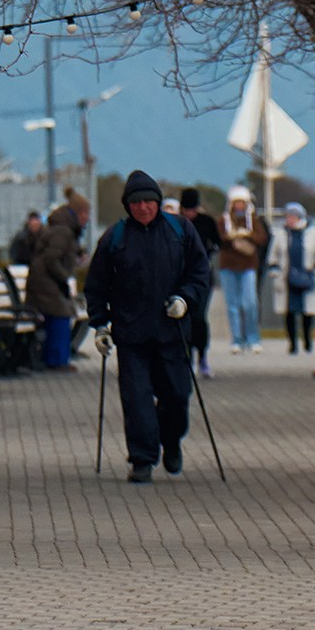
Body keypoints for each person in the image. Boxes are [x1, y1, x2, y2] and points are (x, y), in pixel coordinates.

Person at [85, 169, 211, 481]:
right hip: (131, 335)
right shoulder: (115, 238)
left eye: (149, 201)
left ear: (158, 203)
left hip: (173, 333)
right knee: (137, 398)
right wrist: (100, 325)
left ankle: (171, 441)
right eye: (136, 202)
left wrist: (185, 299)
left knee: (177, 397)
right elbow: (97, 284)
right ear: (127, 205)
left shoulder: (180, 230)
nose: (143, 207)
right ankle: (142, 459)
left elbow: (200, 273)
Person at [22, 197, 87, 368]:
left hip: (44, 282)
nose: (87, 218)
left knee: (62, 312)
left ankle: (55, 357)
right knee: (61, 314)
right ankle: (57, 360)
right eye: (85, 213)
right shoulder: (63, 231)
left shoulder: (62, 229)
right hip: (45, 283)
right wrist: (64, 275)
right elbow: (52, 258)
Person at [266, 199, 315, 352]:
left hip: (307, 277)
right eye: (288, 216)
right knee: (289, 311)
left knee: (308, 311)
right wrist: (275, 270)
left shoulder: (312, 233)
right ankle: (292, 343)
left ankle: (307, 339)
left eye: (293, 216)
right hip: (286, 278)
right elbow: (273, 255)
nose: (290, 219)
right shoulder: (280, 234)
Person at [217, 185, 269, 352]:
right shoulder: (223, 220)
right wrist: (231, 237)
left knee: (250, 303)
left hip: (248, 266)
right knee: (232, 304)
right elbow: (219, 240)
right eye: (236, 203)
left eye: (242, 203)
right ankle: (237, 339)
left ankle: (253, 337)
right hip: (228, 266)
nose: (239, 206)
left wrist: (248, 235)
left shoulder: (254, 220)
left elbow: (262, 239)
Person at [177, 187, 222, 376]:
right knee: (183, 317)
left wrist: (208, 253)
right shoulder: (176, 223)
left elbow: (218, 242)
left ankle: (202, 356)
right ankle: (185, 356)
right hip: (180, 277)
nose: (190, 214)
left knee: (199, 317)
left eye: (193, 209)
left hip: (202, 277)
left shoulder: (207, 222)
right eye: (187, 210)